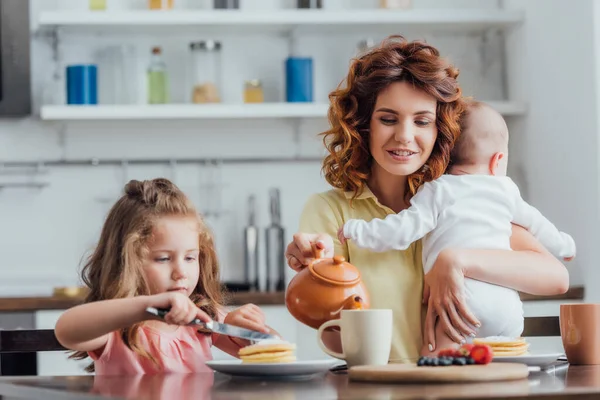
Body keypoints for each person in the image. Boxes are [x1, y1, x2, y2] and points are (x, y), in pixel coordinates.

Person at [284, 35, 569, 363]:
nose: (404, 136)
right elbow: (333, 336)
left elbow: (555, 275)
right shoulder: (332, 212)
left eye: (422, 121)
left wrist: (455, 260)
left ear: (441, 130)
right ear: (363, 126)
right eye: (388, 119)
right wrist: (317, 269)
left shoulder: (461, 198)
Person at [338, 101, 575, 354]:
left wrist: (358, 231)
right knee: (506, 363)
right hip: (505, 307)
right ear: (498, 161)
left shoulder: (438, 190)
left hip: (460, 304)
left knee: (439, 364)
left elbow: (400, 231)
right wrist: (563, 244)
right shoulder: (506, 190)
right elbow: (538, 223)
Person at [55, 178, 279, 375]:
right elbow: (65, 330)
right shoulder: (116, 326)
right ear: (125, 261)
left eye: (190, 258)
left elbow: (276, 354)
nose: (181, 272)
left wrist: (252, 332)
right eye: (163, 259)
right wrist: (147, 306)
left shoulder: (203, 317)